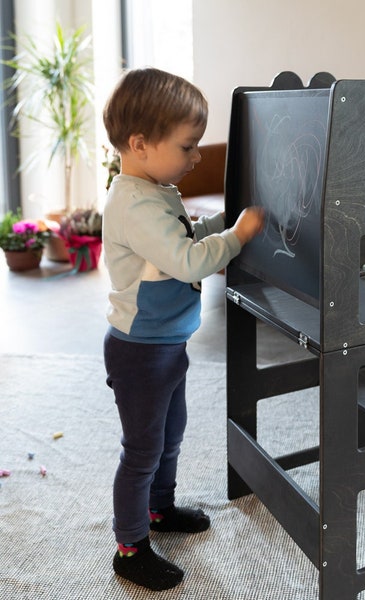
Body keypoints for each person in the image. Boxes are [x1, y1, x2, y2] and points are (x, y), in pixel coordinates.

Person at [102, 67, 264, 591]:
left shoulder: (155, 191)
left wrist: (223, 224)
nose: (196, 156)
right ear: (141, 144)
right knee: (143, 448)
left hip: (167, 344)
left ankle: (159, 510)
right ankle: (129, 547)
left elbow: (188, 234)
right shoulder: (133, 204)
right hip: (140, 352)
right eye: (188, 145)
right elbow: (188, 260)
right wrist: (236, 238)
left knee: (170, 436)